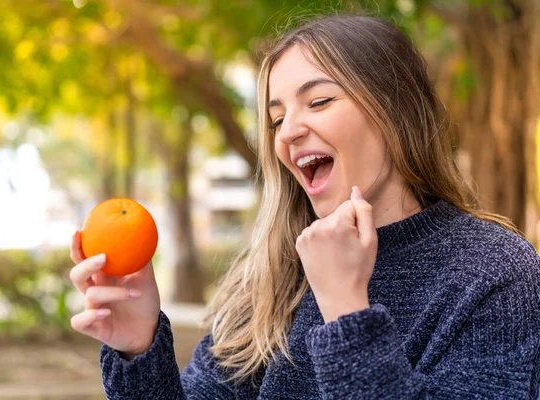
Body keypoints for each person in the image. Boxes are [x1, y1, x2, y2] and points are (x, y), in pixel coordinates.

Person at [68, 14, 540, 399]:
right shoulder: (273, 275)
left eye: (319, 101)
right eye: (276, 118)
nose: (288, 131)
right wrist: (139, 348)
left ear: (395, 111)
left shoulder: (496, 271)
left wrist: (346, 310)